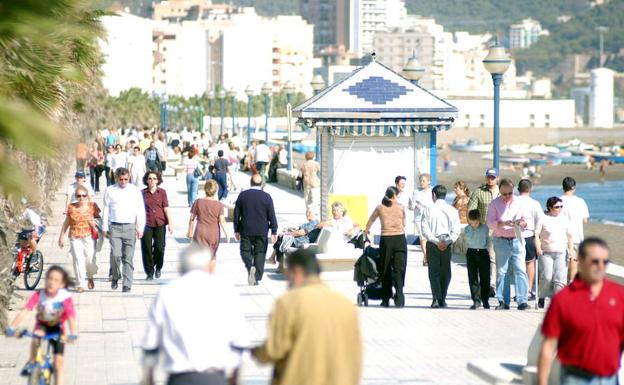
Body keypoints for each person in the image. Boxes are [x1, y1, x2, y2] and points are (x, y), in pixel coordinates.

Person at [251, 249, 362, 385]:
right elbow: (356, 353)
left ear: (297, 272)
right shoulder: (346, 305)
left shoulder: (288, 303)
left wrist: (255, 353)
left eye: (288, 274)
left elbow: (275, 349)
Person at [141, 245, 249, 385]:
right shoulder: (225, 291)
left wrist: (148, 378)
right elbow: (240, 343)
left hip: (180, 378)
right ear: (209, 266)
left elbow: (151, 343)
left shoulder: (167, 293)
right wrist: (235, 378)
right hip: (215, 377)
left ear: (180, 268)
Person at [538, 238, 624, 385]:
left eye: (605, 262)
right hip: (576, 379)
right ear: (580, 261)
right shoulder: (563, 299)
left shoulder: (618, 295)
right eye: (595, 261)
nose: (601, 266)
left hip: (610, 379)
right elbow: (548, 346)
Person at [6, 266, 78, 385]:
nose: (51, 282)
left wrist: (73, 334)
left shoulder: (64, 297)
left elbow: (71, 317)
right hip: (42, 326)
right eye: (49, 279)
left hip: (57, 328)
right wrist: (12, 327)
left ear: (61, 284)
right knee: (36, 337)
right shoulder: (39, 294)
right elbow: (25, 311)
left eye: (56, 280)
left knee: (58, 364)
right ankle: (33, 363)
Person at [486, 178, 530, 311]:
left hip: (517, 239)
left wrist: (520, 223)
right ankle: (503, 301)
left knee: (520, 270)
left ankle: (522, 300)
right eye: (504, 194)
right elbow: (489, 222)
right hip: (501, 240)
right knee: (502, 271)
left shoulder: (520, 203)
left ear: (513, 190)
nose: (507, 197)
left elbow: (526, 220)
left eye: (510, 193)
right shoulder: (494, 204)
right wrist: (502, 223)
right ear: (500, 192)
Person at [103, 167, 146, 293]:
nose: (123, 182)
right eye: (121, 179)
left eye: (126, 179)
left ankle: (127, 284)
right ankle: (116, 276)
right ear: (117, 178)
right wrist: (105, 227)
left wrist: (140, 228)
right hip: (115, 227)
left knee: (128, 257)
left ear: (129, 178)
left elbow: (140, 210)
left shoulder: (135, 191)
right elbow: (106, 209)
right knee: (116, 255)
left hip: (130, 227)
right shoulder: (110, 190)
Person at [364, 186, 407, 308]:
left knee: (385, 269)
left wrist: (365, 232)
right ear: (394, 196)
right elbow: (404, 224)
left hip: (386, 240)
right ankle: (399, 298)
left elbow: (371, 220)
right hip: (400, 240)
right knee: (399, 269)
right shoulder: (401, 207)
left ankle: (386, 298)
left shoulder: (380, 208)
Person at [234, 174, 278, 285]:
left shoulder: (243, 195)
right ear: (261, 183)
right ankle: (257, 277)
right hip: (262, 230)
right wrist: (274, 231)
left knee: (245, 251)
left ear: (251, 182)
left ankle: (250, 267)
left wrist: (236, 229)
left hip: (246, 229)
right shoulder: (266, 197)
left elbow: (236, 214)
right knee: (260, 253)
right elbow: (272, 215)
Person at [421, 185, 461, 308]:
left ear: (434, 195)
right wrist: (447, 242)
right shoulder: (452, 210)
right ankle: (443, 297)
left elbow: (424, 228)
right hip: (446, 243)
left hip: (433, 243)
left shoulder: (428, 209)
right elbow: (456, 230)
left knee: (433, 272)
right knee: (445, 271)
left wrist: (435, 241)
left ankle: (436, 298)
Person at [58, 185, 100, 292]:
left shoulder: (92, 206)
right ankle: (80, 284)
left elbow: (100, 221)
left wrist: (94, 223)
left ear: (87, 196)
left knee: (89, 259)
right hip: (75, 236)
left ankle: (90, 276)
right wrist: (61, 237)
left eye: (83, 196)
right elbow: (66, 223)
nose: (81, 198)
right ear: (75, 196)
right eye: (78, 196)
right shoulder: (71, 207)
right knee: (77, 259)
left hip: (88, 236)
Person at [534, 197, 574, 308]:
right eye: (557, 207)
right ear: (550, 208)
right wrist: (538, 248)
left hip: (561, 252)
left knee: (560, 279)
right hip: (546, 252)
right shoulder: (543, 218)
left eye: (561, 206)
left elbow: (570, 236)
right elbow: (536, 235)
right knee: (547, 277)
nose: (560, 209)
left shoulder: (565, 219)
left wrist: (571, 251)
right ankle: (541, 296)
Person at [468, 168, 500, 298]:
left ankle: (492, 284)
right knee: (489, 258)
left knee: (496, 259)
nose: (490, 179)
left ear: (498, 178)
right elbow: (471, 210)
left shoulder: (504, 192)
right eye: (489, 177)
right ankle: (489, 285)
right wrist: (475, 226)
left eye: (493, 177)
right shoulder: (479, 192)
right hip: (485, 229)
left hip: (502, 229)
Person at [141, 171, 174, 281]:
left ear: (158, 180)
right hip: (146, 223)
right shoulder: (142, 193)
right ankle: (149, 272)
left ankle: (158, 266)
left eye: (154, 178)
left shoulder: (162, 192)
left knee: (160, 247)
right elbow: (138, 210)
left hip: (160, 223)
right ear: (146, 180)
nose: (152, 180)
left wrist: (171, 223)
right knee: (147, 248)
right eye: (150, 178)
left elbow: (166, 208)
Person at [515, 179, 544, 300]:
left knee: (517, 264)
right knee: (530, 263)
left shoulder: (513, 201)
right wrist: (537, 233)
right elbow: (540, 220)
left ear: (518, 189)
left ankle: (519, 291)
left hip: (515, 236)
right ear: (530, 189)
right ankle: (528, 289)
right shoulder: (535, 203)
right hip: (530, 235)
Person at [188, 180, 229, 258]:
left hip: (200, 232)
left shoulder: (198, 202)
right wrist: (227, 234)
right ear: (216, 190)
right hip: (214, 234)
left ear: (205, 189)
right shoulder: (219, 205)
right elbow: (222, 221)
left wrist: (189, 232)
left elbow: (192, 219)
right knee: (211, 256)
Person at [560, 176, 589, 282]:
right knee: (574, 262)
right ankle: (571, 284)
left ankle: (562, 285)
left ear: (563, 187)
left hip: (560, 237)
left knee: (561, 264)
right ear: (574, 188)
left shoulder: (558, 201)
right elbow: (585, 220)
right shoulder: (580, 201)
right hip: (576, 236)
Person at [464, 209, 491, 309]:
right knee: (473, 277)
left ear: (479, 220)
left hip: (483, 252)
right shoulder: (467, 229)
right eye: (472, 223)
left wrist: (486, 248)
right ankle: (476, 300)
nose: (474, 225)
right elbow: (468, 239)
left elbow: (488, 240)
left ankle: (485, 299)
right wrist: (472, 228)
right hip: (471, 252)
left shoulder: (485, 228)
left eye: (476, 222)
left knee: (485, 277)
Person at [409, 173, 433, 266]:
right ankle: (426, 256)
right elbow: (411, 206)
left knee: (429, 237)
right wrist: (416, 205)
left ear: (429, 181)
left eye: (424, 180)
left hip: (430, 217)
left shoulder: (432, 191)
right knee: (422, 237)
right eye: (421, 180)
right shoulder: (416, 192)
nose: (422, 182)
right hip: (419, 217)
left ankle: (427, 255)